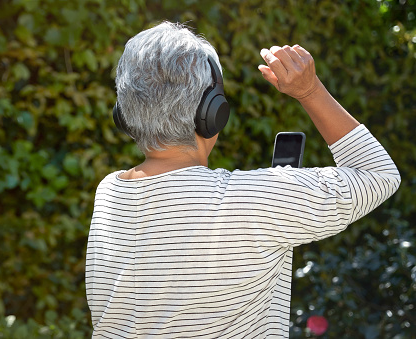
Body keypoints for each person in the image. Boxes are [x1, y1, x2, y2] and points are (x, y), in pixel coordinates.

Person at [85, 21, 401, 338]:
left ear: (123, 115)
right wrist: (309, 91)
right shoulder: (251, 202)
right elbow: (378, 175)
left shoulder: (111, 192)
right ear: (212, 112)